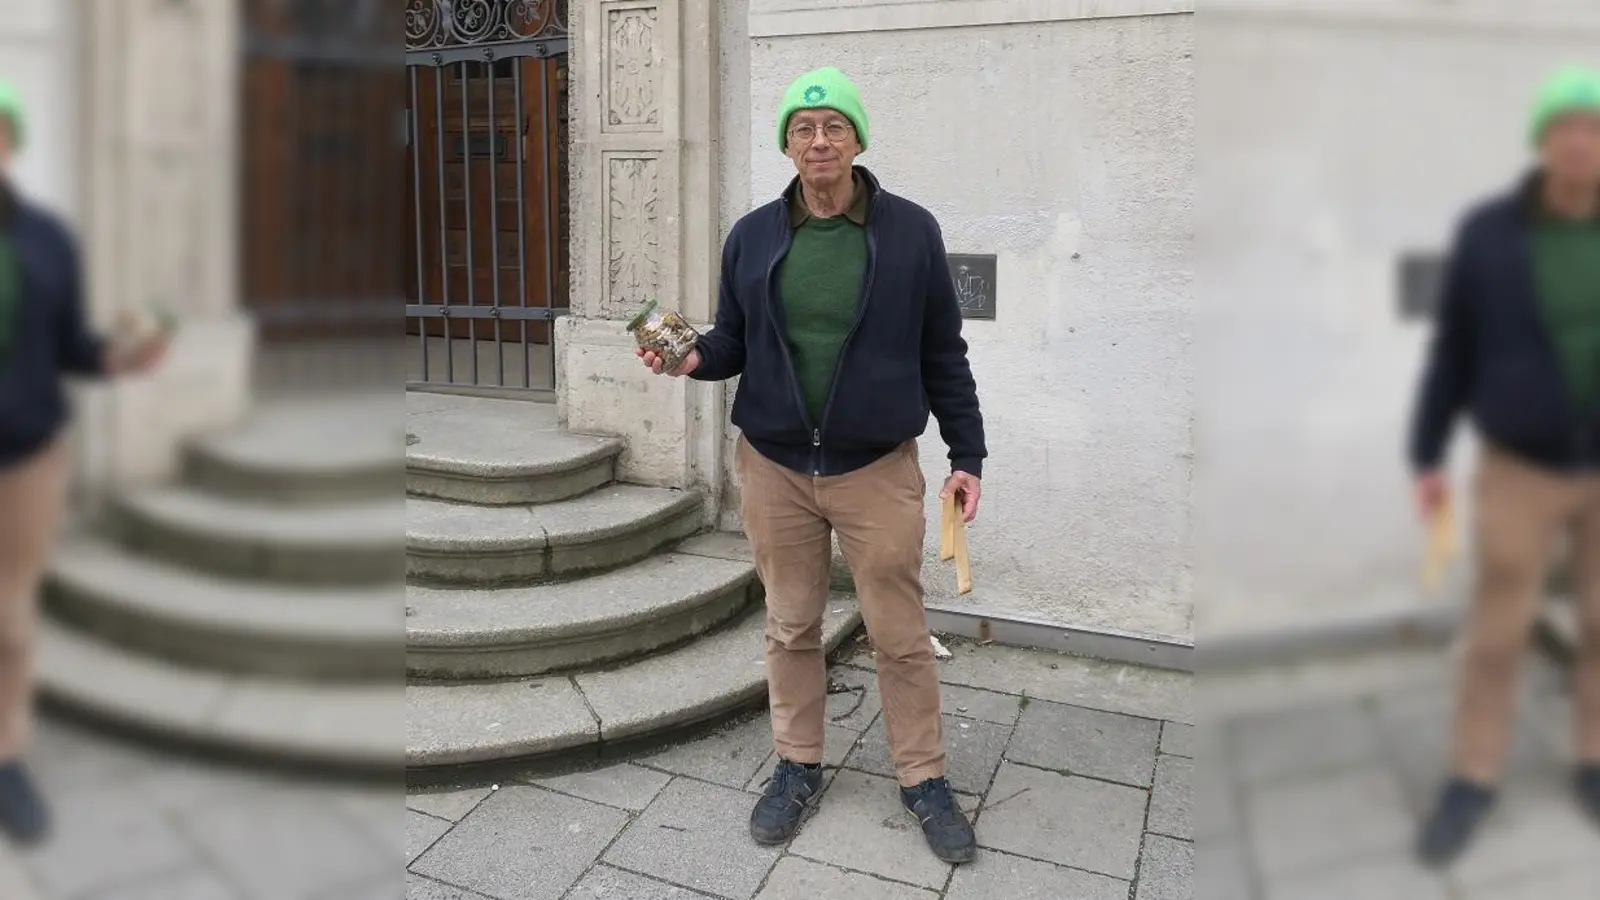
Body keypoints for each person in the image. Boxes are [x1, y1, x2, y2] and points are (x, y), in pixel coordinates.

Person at [637, 67, 986, 863]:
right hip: (775, 469)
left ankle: (923, 778)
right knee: (790, 625)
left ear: (858, 139)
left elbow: (944, 351)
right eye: (802, 129)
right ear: (787, 145)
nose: (818, 141)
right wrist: (691, 360)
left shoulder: (911, 232)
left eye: (833, 127)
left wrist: (968, 453)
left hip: (876, 469)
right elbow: (733, 341)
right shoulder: (754, 235)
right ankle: (797, 766)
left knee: (900, 633)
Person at [1409, 65, 1600, 866]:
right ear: (1543, 140)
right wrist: (1427, 451)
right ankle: (1474, 776)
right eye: (1568, 128)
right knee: (1499, 630)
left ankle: (1593, 759)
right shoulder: (1490, 233)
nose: (1582, 144)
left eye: (1594, 129)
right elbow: (1454, 347)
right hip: (1518, 465)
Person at [0, 78, 167, 844]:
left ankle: (7, 758)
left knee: (11, 617)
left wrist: (123, 356)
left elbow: (71, 345)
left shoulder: (46, 240)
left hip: (29, 453)